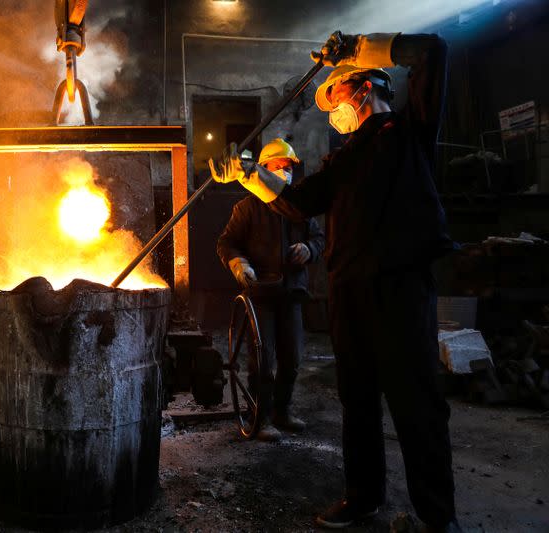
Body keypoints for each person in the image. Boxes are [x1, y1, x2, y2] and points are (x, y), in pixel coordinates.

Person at [209, 32, 461, 532]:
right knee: (358, 402)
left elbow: (431, 50)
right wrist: (245, 177)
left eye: (337, 98)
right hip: (351, 292)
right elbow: (299, 201)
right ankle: (362, 498)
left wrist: (360, 48)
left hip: (399, 289)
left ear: (366, 88)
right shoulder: (342, 158)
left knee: (416, 404)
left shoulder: (408, 130)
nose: (333, 112)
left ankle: (438, 519)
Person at [216, 138, 324, 442]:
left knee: (292, 359)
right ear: (263, 169)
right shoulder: (248, 207)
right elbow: (227, 242)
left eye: (289, 167)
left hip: (291, 293)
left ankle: (281, 411)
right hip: (260, 294)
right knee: (262, 361)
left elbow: (319, 239)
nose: (286, 173)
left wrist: (309, 248)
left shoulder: (298, 207)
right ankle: (259, 417)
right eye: (279, 166)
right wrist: (239, 263)